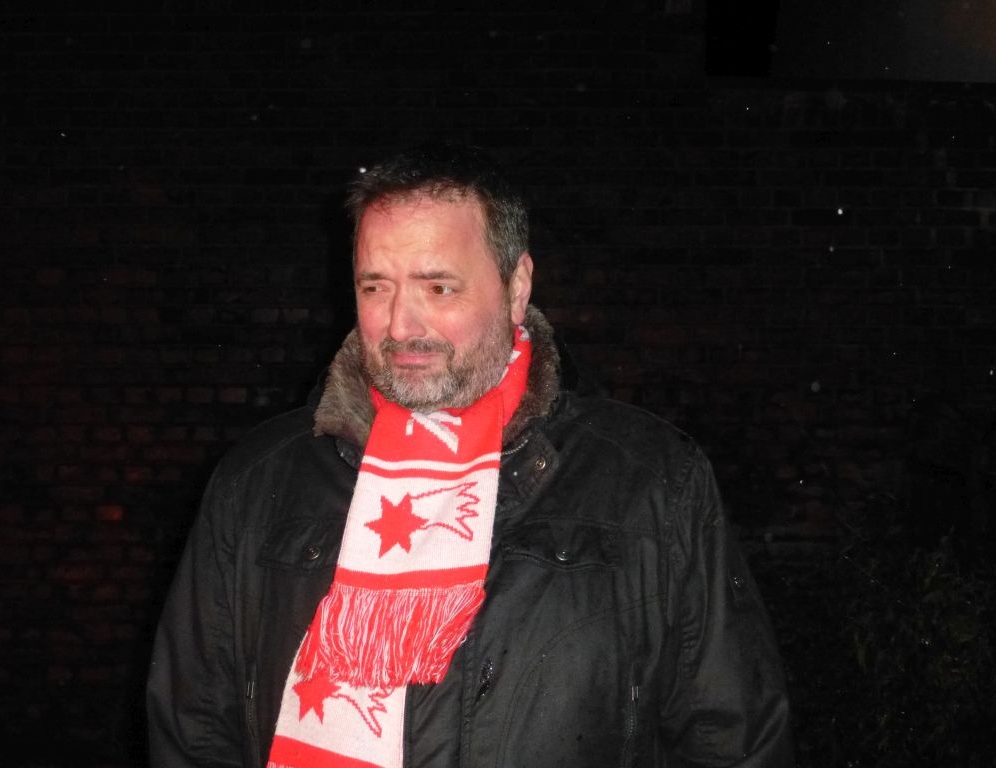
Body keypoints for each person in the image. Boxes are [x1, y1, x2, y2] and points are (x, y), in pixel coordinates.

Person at [146, 144, 793, 768]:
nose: (401, 326)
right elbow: (193, 731)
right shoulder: (258, 481)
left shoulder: (651, 481)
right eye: (375, 287)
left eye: (438, 288)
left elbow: (731, 742)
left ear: (517, 287)